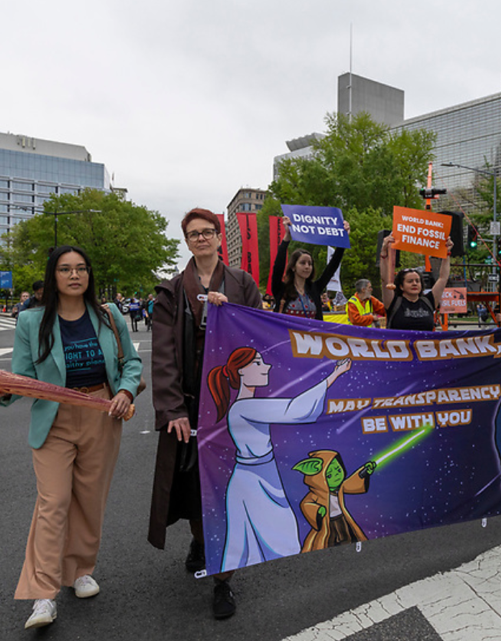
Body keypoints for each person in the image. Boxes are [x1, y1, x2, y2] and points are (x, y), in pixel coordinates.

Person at [0, 245, 141, 630]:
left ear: (89, 275)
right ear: (53, 277)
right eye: (65, 269)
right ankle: (43, 594)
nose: (74, 275)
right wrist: (0, 389)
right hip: (54, 419)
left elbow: (131, 362)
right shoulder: (31, 322)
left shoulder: (109, 315)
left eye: (81, 268)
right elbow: (22, 377)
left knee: (89, 499)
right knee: (53, 502)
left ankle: (80, 570)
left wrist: (125, 391)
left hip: (102, 411)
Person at [148, 208, 262, 620]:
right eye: (193, 234)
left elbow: (259, 336)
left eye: (207, 232)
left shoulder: (243, 284)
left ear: (219, 238)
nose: (201, 239)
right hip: (191, 407)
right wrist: (173, 408)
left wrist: (232, 312)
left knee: (227, 491)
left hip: (232, 406)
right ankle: (202, 543)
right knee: (199, 489)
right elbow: (163, 356)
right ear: (187, 241)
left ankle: (223, 581)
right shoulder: (172, 290)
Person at [207, 349, 352, 572]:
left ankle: (227, 578)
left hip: (261, 476)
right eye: (257, 363)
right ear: (241, 372)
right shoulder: (244, 408)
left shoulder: (246, 406)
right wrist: (334, 375)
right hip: (253, 483)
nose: (266, 366)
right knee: (266, 537)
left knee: (250, 539)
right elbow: (293, 410)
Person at [270, 217, 349, 319]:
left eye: (310, 264)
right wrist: (287, 237)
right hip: (286, 334)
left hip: (311, 334)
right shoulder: (281, 289)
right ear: (293, 267)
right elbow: (278, 268)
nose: (307, 266)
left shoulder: (315, 289)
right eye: (302, 263)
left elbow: (332, 267)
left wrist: (343, 240)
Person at [379, 234, 453, 331]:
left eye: (417, 281)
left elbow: (443, 278)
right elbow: (385, 279)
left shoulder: (429, 301)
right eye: (410, 281)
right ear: (401, 286)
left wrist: (446, 253)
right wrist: (384, 251)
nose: (414, 283)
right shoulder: (394, 302)